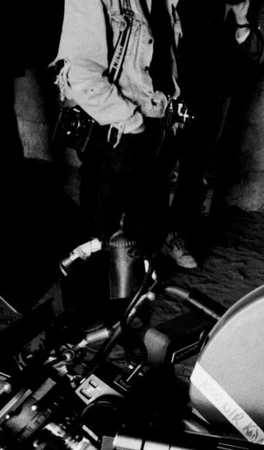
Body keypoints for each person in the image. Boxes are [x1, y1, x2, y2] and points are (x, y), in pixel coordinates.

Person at [52, 0, 183, 321]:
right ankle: (82, 324)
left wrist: (166, 109)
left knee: (137, 235)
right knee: (100, 233)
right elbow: (82, 72)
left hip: (153, 125)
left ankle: (121, 320)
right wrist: (131, 123)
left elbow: (164, 55)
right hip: (115, 128)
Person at [163, 0, 264, 269]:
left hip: (217, 94)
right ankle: (144, 233)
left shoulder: (259, 5)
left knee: (195, 164)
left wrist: (242, 21)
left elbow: (260, 53)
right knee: (159, 160)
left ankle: (175, 236)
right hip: (174, 87)